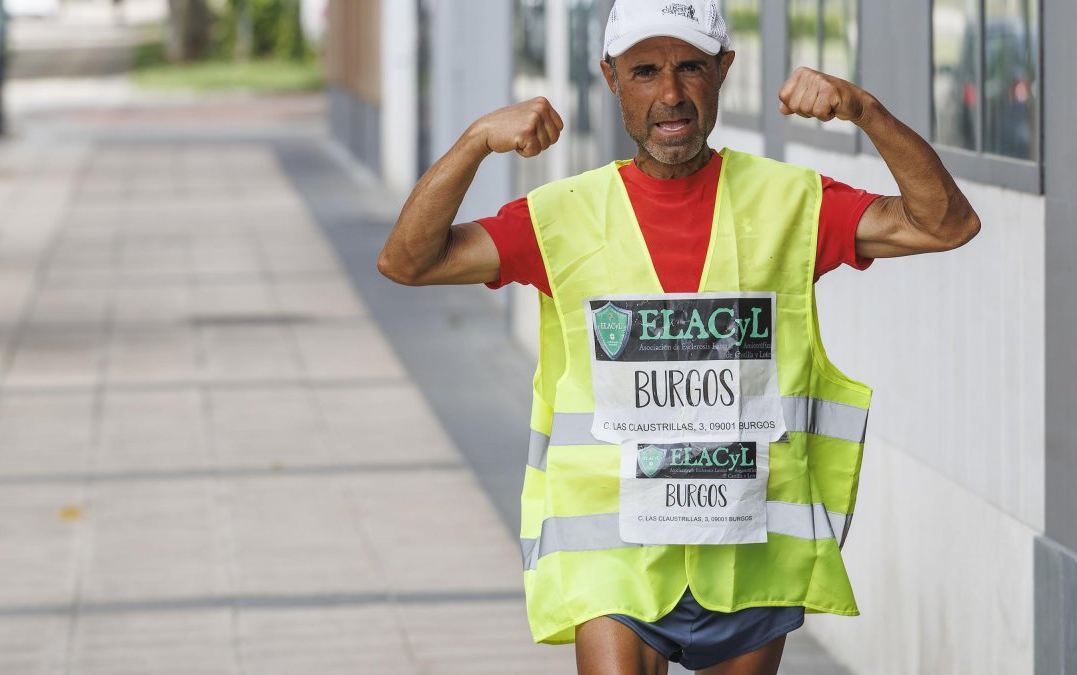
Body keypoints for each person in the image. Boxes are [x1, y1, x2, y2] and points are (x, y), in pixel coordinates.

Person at [377, 1, 980, 673]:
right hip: (612, 549)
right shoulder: (562, 218)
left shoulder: (790, 203)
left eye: (691, 67)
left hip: (747, 546)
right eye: (644, 71)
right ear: (610, 78)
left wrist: (865, 110)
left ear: (724, 69)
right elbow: (408, 260)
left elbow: (945, 224)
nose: (670, 94)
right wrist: (474, 141)